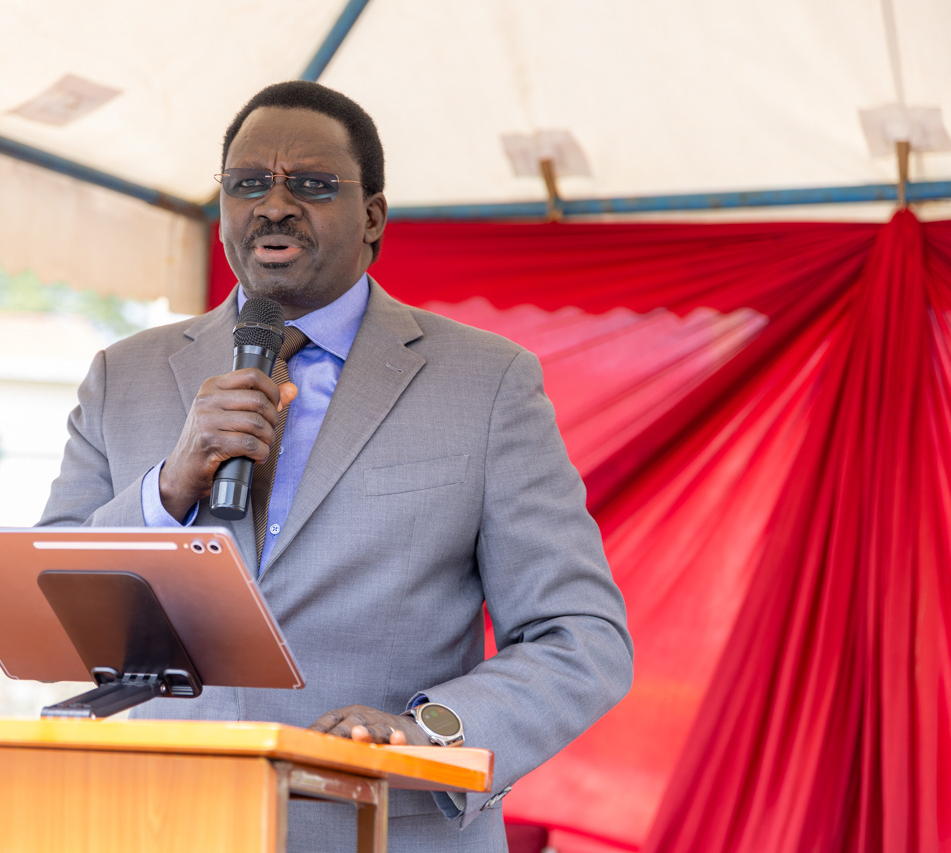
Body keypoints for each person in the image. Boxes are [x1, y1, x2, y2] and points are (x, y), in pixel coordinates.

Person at [39, 80, 633, 853]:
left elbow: (580, 636)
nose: (274, 206)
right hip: (159, 824)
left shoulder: (487, 382)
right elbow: (51, 608)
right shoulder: (124, 375)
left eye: (312, 185)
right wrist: (169, 485)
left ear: (373, 216)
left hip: (383, 827)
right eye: (248, 183)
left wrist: (424, 732)